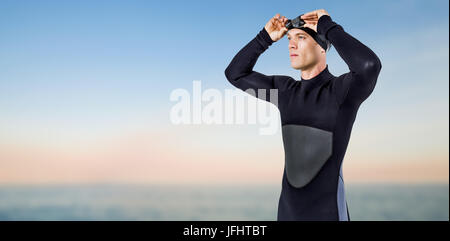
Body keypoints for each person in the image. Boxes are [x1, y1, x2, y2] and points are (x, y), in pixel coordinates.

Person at [224, 9, 382, 221]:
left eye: (301, 37)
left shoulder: (341, 92)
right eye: (289, 38)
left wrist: (327, 26)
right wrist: (265, 38)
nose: (291, 44)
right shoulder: (285, 91)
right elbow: (235, 74)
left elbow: (369, 66)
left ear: (322, 46)